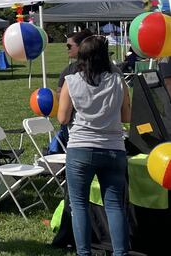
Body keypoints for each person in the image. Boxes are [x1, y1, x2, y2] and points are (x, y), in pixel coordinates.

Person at [58, 36, 131, 256]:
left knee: (79, 206)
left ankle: (84, 253)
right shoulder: (119, 81)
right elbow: (127, 115)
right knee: (115, 206)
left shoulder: (71, 82)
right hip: (113, 148)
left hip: (80, 147)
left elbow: (62, 118)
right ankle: (120, 253)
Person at [56, 29, 93, 146]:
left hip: (77, 135)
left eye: (69, 45)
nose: (67, 48)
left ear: (82, 46)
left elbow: (60, 99)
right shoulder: (113, 73)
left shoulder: (70, 73)